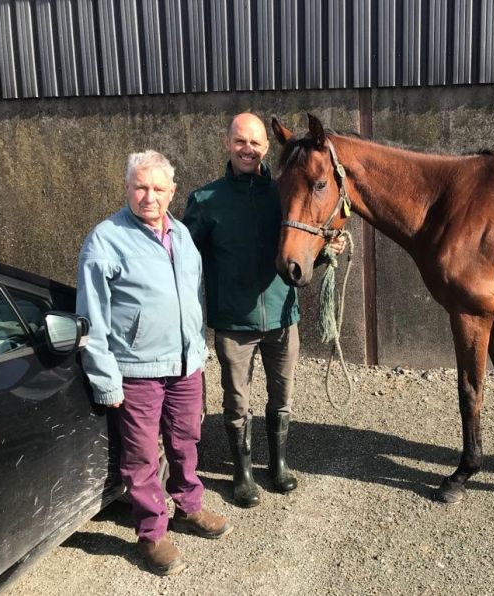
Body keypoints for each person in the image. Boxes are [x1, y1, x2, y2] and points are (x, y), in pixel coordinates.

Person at [77, 150, 231, 576]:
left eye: (158, 188)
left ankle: (189, 506)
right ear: (127, 187)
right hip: (136, 370)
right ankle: (151, 535)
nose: (149, 196)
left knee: (186, 440)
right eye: (140, 187)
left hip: (184, 365)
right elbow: (91, 316)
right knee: (142, 456)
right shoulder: (106, 239)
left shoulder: (182, 235)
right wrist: (105, 379)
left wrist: (196, 352)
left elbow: (192, 300)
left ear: (172, 191)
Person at [183, 112, 344, 508]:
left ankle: (279, 463)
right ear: (227, 143)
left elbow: (298, 248)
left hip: (282, 315)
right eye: (240, 141)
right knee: (236, 401)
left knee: (282, 395)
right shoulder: (206, 201)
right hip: (234, 322)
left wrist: (325, 254)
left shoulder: (283, 192)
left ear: (267, 148)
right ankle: (241, 472)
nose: (248, 149)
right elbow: (186, 262)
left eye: (255, 143)